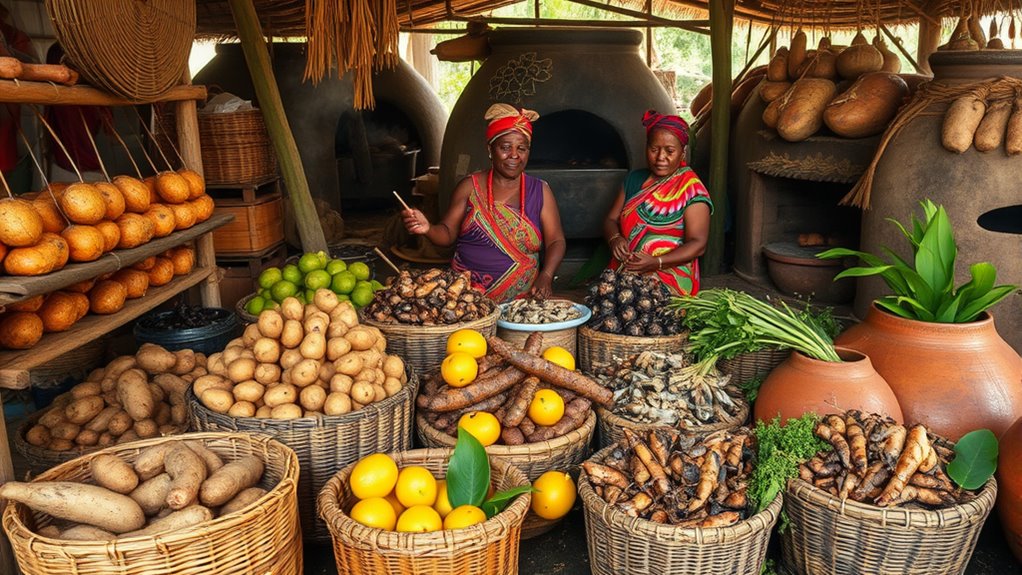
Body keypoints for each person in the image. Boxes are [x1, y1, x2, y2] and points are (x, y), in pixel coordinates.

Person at [402, 103, 565, 302]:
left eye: (522, 148)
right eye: (505, 147)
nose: (514, 155)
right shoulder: (469, 187)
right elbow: (447, 234)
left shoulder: (540, 191)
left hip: (522, 304)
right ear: (490, 149)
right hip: (467, 302)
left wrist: (546, 275)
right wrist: (428, 228)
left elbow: (556, 240)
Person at [602, 109, 712, 296]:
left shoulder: (691, 189)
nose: (661, 157)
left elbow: (698, 244)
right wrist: (615, 239)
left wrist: (657, 262)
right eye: (654, 149)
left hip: (672, 276)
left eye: (670, 151)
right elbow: (610, 220)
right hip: (628, 270)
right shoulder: (634, 180)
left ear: (682, 153)